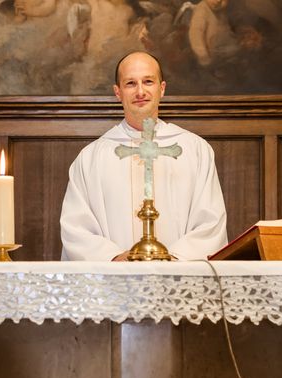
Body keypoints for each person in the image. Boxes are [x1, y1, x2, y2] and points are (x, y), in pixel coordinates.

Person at [60, 51, 227, 260]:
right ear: (117, 92)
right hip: (114, 282)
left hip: (178, 279)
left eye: (148, 81)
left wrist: (175, 259)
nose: (140, 91)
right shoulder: (90, 159)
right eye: (130, 83)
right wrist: (114, 258)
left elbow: (210, 223)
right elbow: (76, 228)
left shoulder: (195, 151)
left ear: (162, 88)